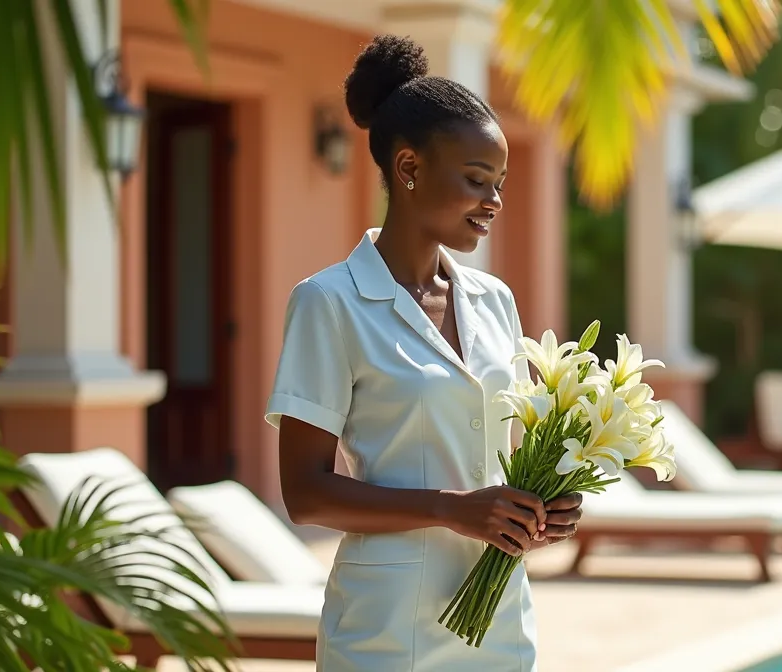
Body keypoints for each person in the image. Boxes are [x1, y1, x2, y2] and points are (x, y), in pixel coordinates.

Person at [265, 35, 580, 671]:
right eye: (475, 180)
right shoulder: (329, 302)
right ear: (408, 169)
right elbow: (304, 493)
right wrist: (452, 511)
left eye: (499, 183)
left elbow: (502, 462)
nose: (493, 201)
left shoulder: (494, 301)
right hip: (388, 629)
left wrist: (543, 507)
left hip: (498, 623)